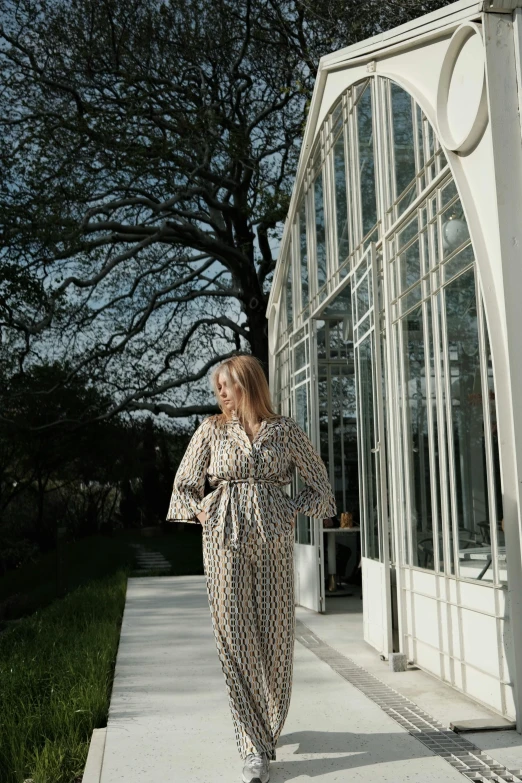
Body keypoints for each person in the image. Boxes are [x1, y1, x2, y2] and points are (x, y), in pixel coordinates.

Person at [167, 355, 336, 783]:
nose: (220, 393)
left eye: (227, 384)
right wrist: (201, 509)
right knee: (234, 639)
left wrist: (292, 507)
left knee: (277, 640)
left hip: (274, 542)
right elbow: (183, 486)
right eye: (217, 386)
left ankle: (269, 726)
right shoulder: (211, 430)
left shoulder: (284, 431)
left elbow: (320, 485)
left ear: (248, 384)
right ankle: (253, 747)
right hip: (223, 540)